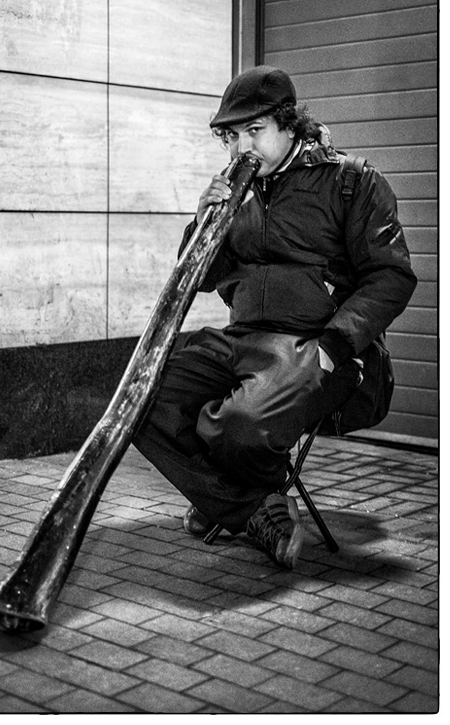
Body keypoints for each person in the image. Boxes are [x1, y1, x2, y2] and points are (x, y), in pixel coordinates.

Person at [133, 65, 417, 569]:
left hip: (316, 345)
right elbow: (200, 278)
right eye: (231, 136)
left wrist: (332, 347)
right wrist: (203, 223)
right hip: (243, 338)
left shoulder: (351, 181)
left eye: (254, 131)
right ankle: (251, 508)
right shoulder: (235, 191)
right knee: (140, 397)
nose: (241, 147)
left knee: (238, 425)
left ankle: (227, 502)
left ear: (289, 124)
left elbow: (391, 277)